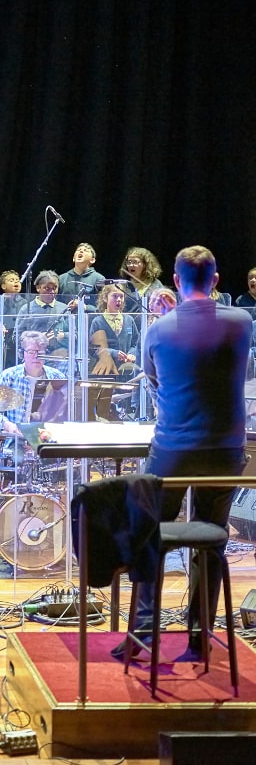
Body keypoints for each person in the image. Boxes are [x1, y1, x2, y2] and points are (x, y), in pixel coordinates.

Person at [123, 245, 251, 659]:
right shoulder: (242, 321)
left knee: (149, 534)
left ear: (175, 281)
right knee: (210, 540)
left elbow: (155, 379)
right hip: (225, 451)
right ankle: (199, 639)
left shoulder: (158, 329)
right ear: (215, 281)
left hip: (173, 449)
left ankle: (143, 633)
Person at [0, 331, 66, 437]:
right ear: (21, 353)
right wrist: (8, 425)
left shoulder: (57, 377)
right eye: (31, 352)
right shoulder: (9, 376)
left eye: (40, 352)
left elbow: (65, 411)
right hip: (16, 439)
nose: (36, 356)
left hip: (48, 438)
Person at [14, 270, 70, 362]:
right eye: (47, 288)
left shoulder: (64, 309)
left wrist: (62, 336)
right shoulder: (26, 309)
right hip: (34, 358)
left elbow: (75, 335)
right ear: (38, 288)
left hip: (58, 358)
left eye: (55, 288)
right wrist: (36, 339)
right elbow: (16, 337)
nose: (52, 292)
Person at [89, 284, 140, 379]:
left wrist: (132, 354)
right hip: (105, 372)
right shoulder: (97, 321)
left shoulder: (129, 320)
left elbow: (135, 343)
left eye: (121, 296)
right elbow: (93, 349)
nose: (119, 299)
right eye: (115, 296)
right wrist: (113, 353)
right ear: (105, 298)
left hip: (127, 372)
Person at [118, 246, 164, 315]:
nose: (131, 265)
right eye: (129, 262)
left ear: (145, 265)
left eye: (135, 262)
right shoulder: (122, 285)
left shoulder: (155, 284)